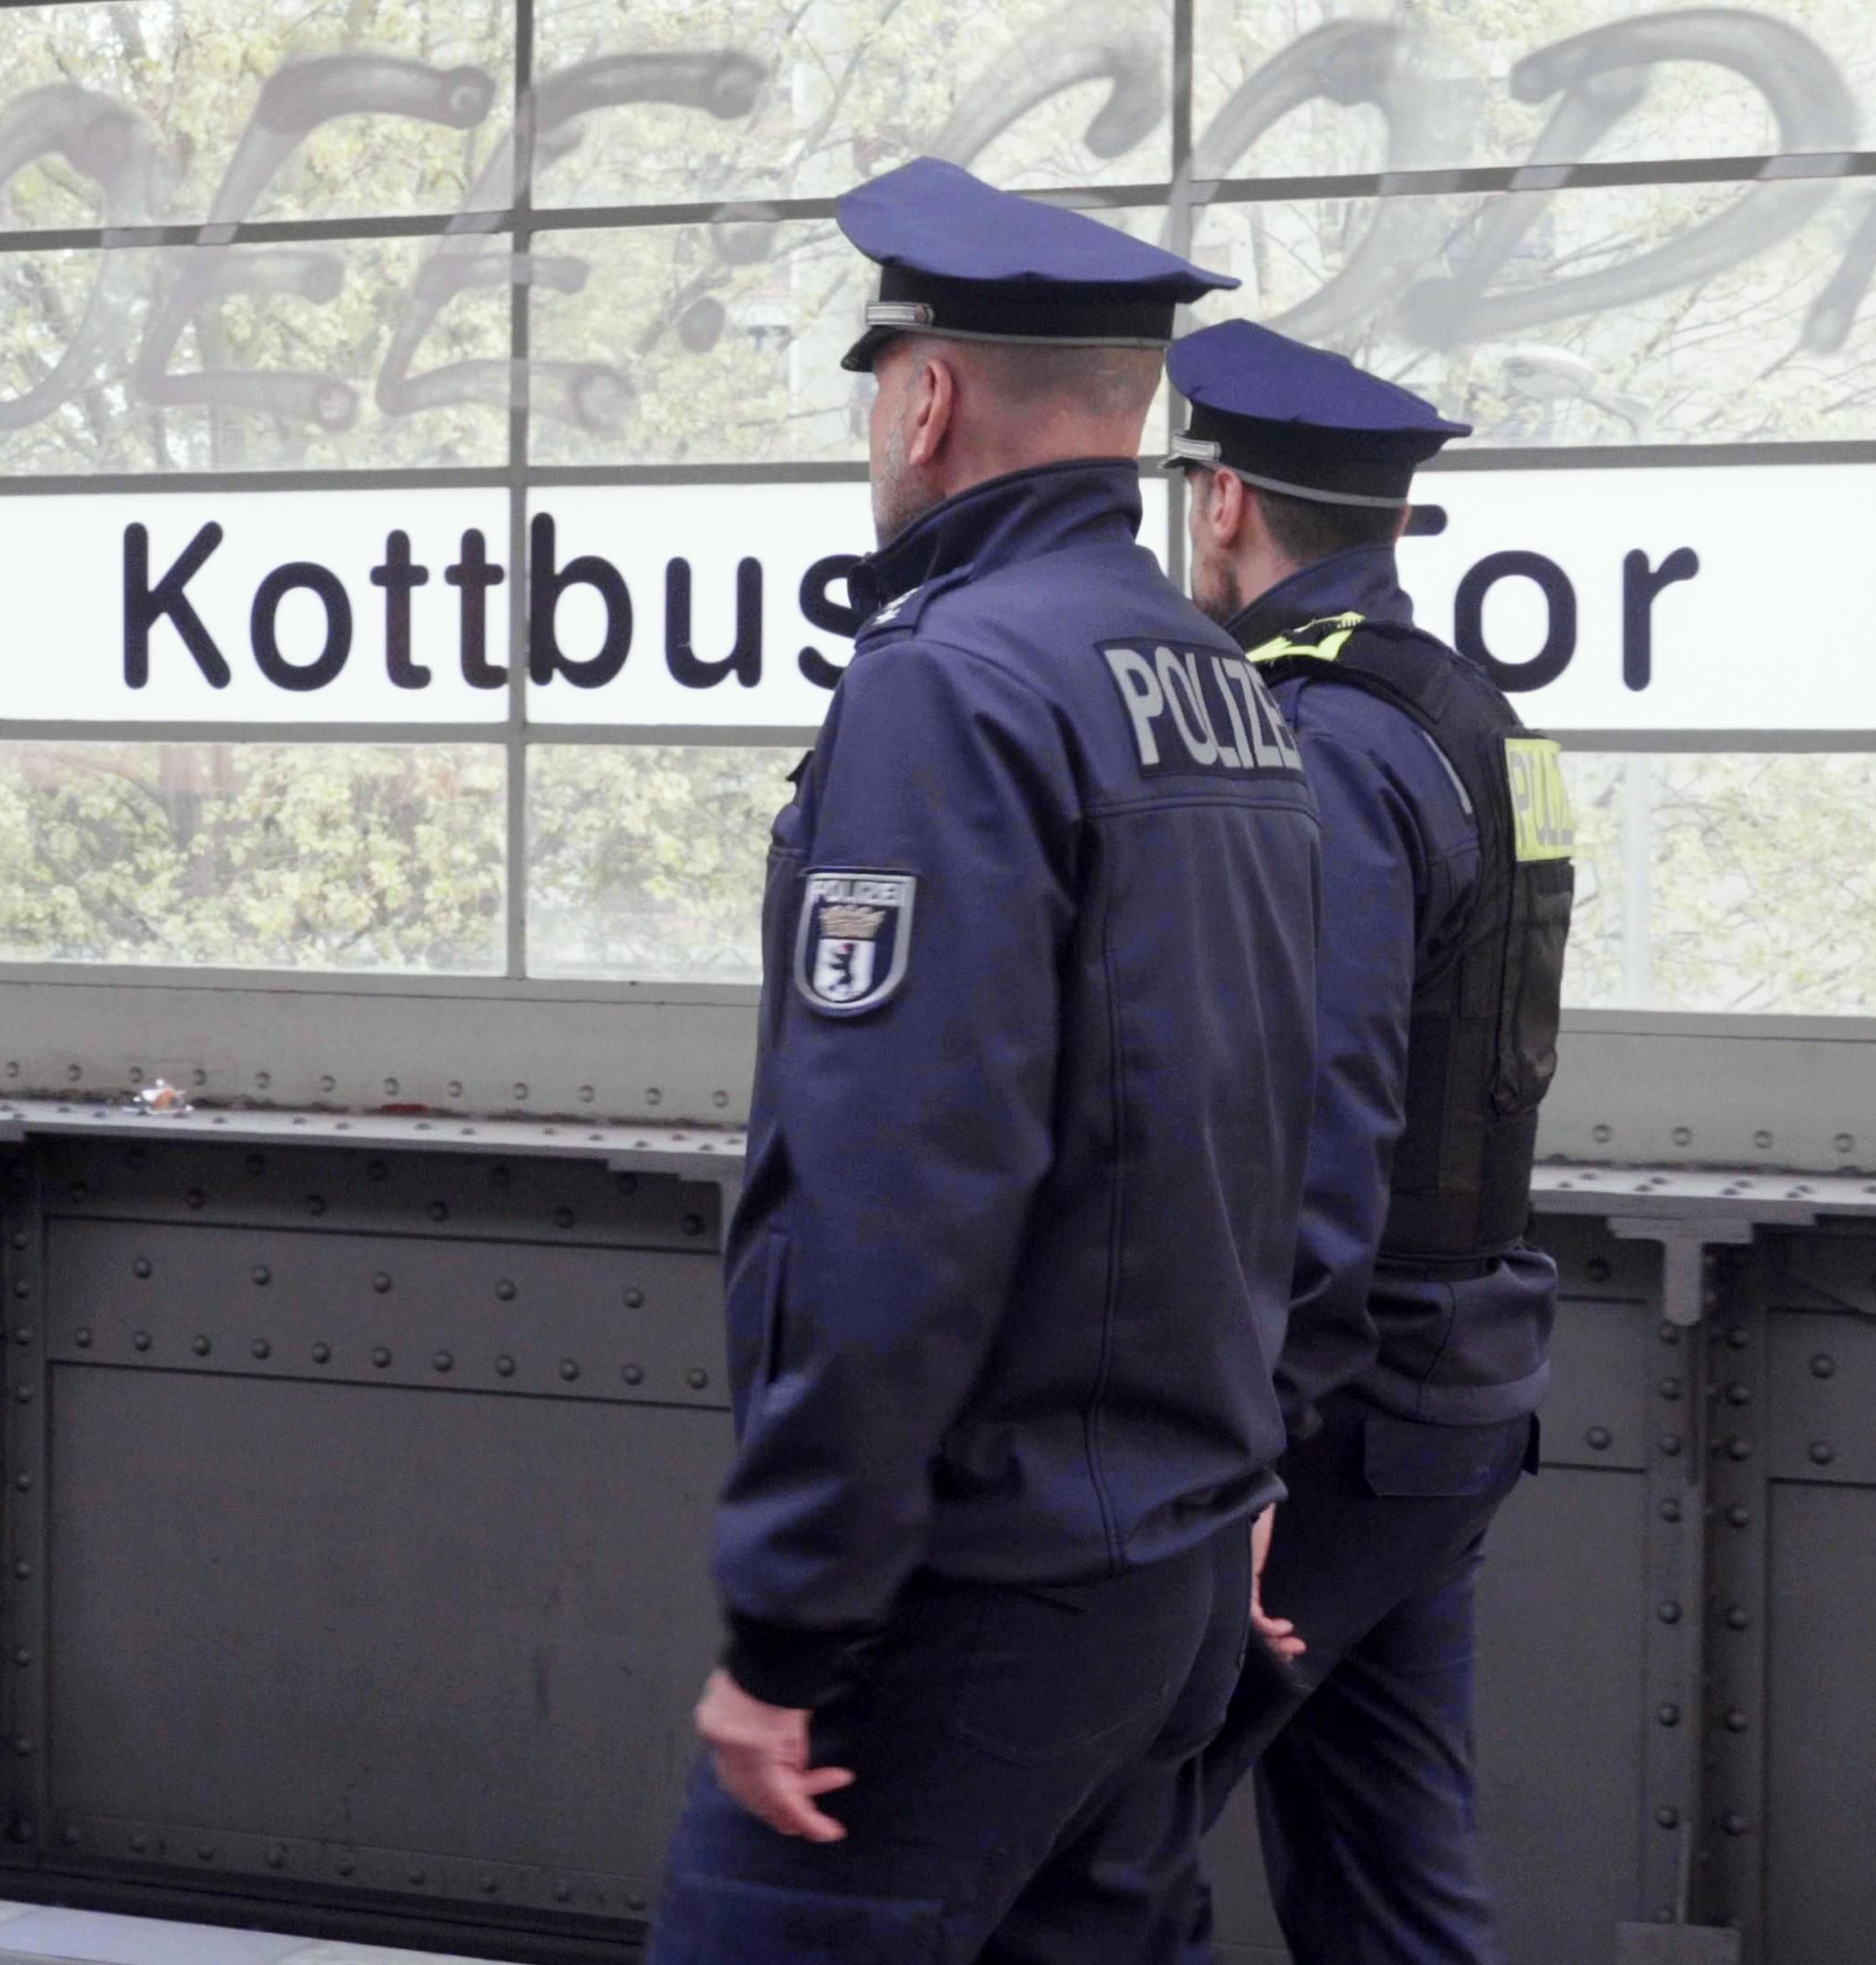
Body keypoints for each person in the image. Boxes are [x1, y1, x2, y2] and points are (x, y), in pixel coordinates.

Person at [640, 157, 1326, 1965]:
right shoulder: (1219, 686)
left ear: (928, 397)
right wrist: (1248, 1471)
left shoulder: (950, 684)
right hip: (1169, 1569)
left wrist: (793, 1623)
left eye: (881, 386)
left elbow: (898, 1192)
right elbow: (1289, 1119)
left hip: (981, 1591)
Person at [1159, 318, 1576, 1965]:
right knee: (1389, 1889)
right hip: (1451, 1385)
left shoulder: (1316, 734)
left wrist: (1252, 1444)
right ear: (1396, 519)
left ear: (1223, 502)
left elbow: (1319, 1110)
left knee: (1090, 1838)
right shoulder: (1471, 712)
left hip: (1337, 1413)